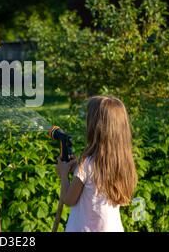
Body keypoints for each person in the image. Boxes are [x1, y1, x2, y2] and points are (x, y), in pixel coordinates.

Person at [56, 95, 137, 232]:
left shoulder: (87, 164)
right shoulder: (123, 163)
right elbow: (94, 185)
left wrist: (63, 174)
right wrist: (76, 168)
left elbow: (69, 200)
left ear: (96, 127)